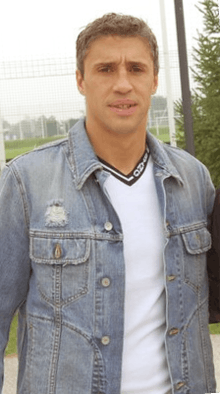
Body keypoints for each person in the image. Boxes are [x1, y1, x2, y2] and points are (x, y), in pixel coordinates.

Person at [0, 13, 217, 394]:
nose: (122, 84)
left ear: (153, 80)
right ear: (81, 80)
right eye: (105, 69)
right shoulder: (25, 182)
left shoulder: (192, 179)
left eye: (136, 68)